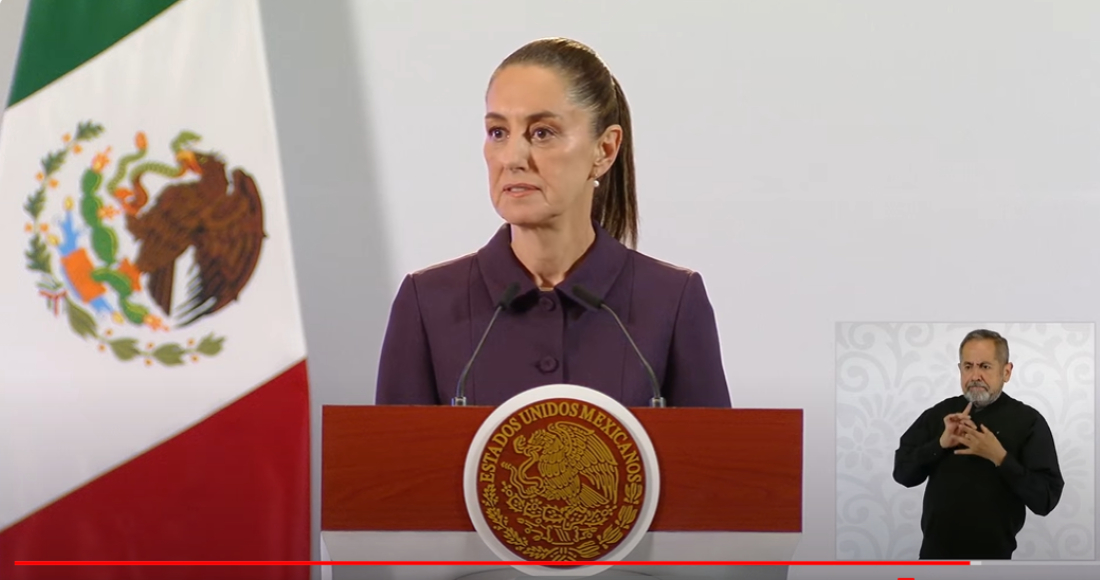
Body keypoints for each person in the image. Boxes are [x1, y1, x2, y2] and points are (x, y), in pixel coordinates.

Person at [374, 37, 731, 408]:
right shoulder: (427, 302)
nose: (512, 158)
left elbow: (714, 462)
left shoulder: (672, 300)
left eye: (541, 132)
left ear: (605, 150)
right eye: (498, 132)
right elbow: (393, 462)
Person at [893, 329, 1064, 560]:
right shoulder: (939, 415)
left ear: (1006, 371)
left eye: (985, 366)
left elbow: (1045, 500)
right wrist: (940, 444)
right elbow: (902, 474)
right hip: (934, 557)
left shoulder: (1029, 422)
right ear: (960, 369)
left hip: (993, 560)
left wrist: (1000, 457)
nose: (975, 375)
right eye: (968, 366)